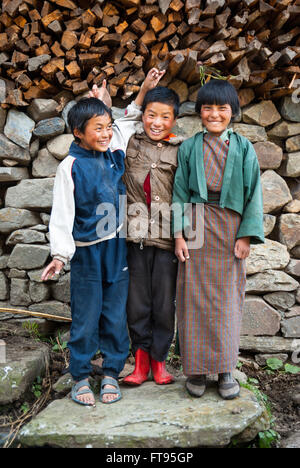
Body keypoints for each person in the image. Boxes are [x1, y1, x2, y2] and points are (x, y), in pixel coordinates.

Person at [41, 69, 165, 406]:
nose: (107, 133)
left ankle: (111, 370)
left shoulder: (114, 153)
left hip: (116, 250)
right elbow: (62, 214)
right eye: (98, 128)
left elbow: (126, 122)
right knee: (86, 315)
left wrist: (141, 92)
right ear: (78, 133)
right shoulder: (70, 166)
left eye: (108, 127)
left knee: (114, 314)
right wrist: (60, 255)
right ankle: (81, 375)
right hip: (86, 254)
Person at [172, 79, 264, 400]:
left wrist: (247, 236)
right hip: (196, 222)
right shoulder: (188, 147)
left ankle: (225, 370)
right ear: (199, 112)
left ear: (232, 112)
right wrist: (179, 235)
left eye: (222, 108)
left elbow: (254, 194)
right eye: (207, 108)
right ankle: (196, 370)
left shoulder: (243, 148)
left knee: (227, 298)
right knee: (192, 297)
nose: (214, 114)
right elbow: (180, 193)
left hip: (229, 228)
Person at [122, 86, 184, 386]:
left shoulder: (181, 150)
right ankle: (140, 364)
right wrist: (143, 88)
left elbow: (186, 194)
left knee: (163, 303)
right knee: (137, 303)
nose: (157, 122)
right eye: (151, 115)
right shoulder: (129, 141)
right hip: (135, 238)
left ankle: (160, 363)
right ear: (142, 116)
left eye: (165, 117)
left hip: (167, 239)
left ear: (174, 120)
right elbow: (121, 121)